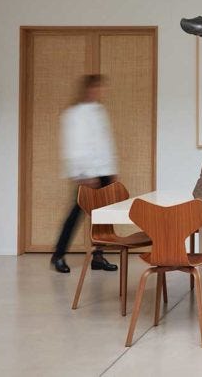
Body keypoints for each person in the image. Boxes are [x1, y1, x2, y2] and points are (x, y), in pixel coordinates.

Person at [50, 74, 119, 274]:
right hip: (86, 173)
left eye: (101, 88)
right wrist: (83, 174)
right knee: (75, 214)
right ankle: (58, 255)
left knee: (103, 217)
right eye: (96, 88)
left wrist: (112, 170)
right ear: (86, 89)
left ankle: (98, 256)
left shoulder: (100, 111)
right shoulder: (73, 114)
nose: (99, 91)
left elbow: (106, 142)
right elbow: (73, 147)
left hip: (104, 171)